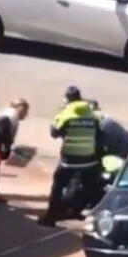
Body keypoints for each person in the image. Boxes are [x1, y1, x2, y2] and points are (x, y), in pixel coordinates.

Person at [39, 96, 103, 227]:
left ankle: (51, 218)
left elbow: (54, 133)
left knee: (57, 187)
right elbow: (99, 135)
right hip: (88, 161)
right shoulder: (94, 118)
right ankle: (76, 212)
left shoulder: (66, 117)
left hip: (69, 161)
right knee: (87, 187)